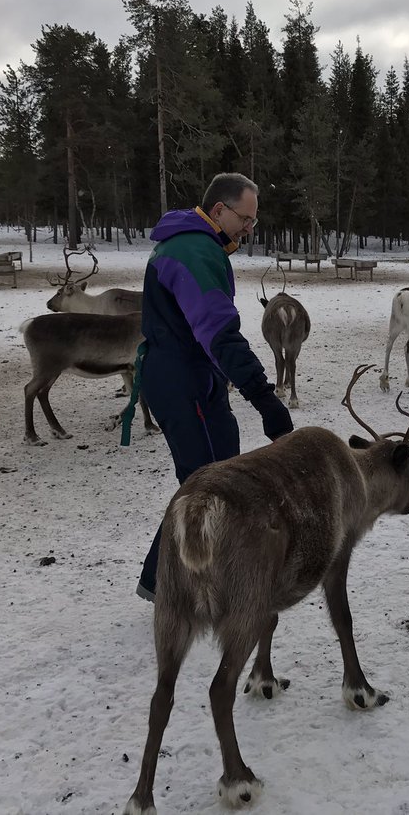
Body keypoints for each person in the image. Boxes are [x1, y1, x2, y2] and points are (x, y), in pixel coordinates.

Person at [135, 172, 293, 601]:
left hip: (197, 378)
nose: (249, 228)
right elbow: (219, 334)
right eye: (246, 218)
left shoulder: (197, 244)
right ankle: (169, 583)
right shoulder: (193, 251)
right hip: (182, 381)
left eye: (254, 221)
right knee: (207, 487)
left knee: (221, 475)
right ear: (219, 209)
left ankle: (179, 576)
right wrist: (264, 399)